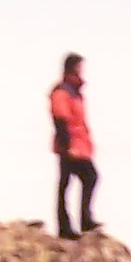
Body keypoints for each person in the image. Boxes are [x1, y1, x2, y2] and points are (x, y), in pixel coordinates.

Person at [49, 53, 100, 239]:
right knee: (87, 178)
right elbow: (60, 118)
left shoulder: (74, 92)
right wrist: (67, 144)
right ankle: (75, 224)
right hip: (71, 145)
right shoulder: (63, 92)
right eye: (79, 67)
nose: (82, 70)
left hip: (78, 144)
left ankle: (74, 224)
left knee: (69, 183)